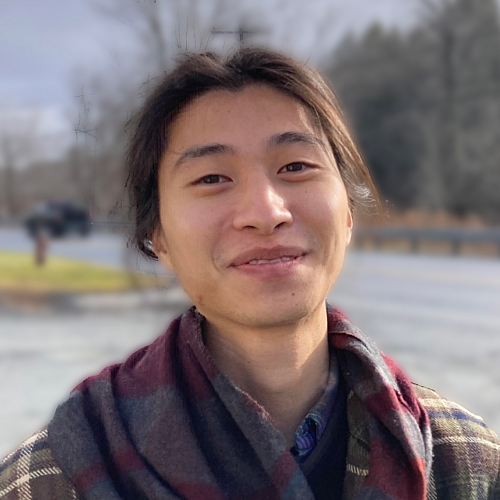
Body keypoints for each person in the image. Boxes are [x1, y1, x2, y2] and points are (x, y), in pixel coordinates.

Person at [1, 48, 499, 500]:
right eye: (212, 177)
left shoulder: (468, 463)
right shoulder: (52, 478)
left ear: (348, 212)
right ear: (159, 237)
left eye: (296, 166)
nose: (265, 212)